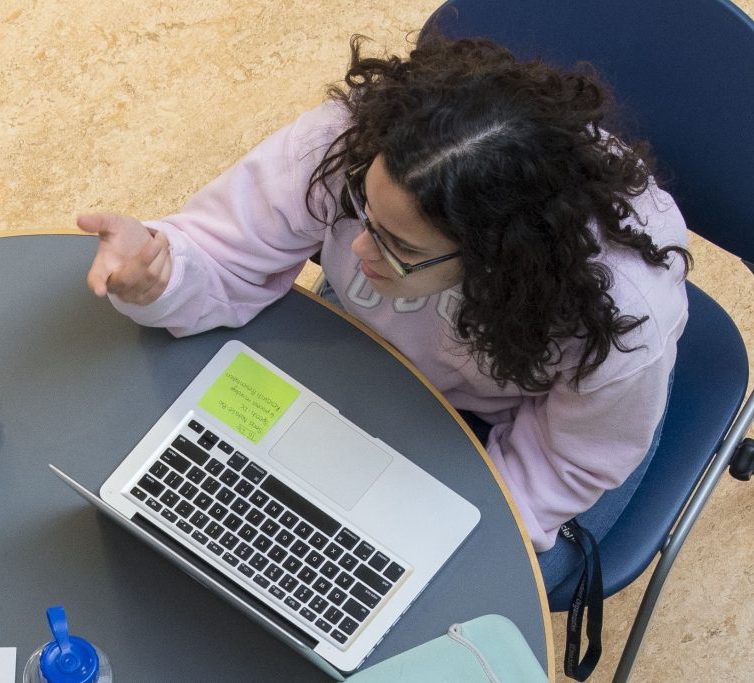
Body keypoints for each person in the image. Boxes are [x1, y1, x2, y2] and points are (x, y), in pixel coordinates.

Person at [78, 36, 690, 607]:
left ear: (504, 258)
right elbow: (222, 250)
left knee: (471, 591)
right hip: (383, 355)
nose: (356, 251)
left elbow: (564, 464)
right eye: (363, 211)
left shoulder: (620, 315)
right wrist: (162, 272)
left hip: (548, 431)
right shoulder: (353, 140)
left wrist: (421, 535)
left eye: (401, 245)